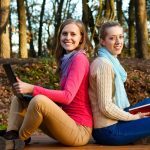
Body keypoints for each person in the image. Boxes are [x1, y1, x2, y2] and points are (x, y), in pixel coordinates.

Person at [0, 19, 93, 149]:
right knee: (20, 99)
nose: (68, 37)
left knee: (39, 101)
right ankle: (11, 135)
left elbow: (67, 97)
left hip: (79, 131)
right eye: (64, 34)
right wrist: (27, 93)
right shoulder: (66, 60)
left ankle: (19, 139)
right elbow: (64, 101)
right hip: (65, 124)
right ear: (60, 36)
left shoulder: (79, 59)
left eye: (73, 34)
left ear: (81, 38)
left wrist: (32, 88)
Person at [89, 21, 150, 146]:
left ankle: (141, 135)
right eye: (112, 38)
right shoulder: (103, 65)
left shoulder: (111, 61)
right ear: (102, 41)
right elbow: (106, 107)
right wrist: (134, 117)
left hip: (112, 123)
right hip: (108, 130)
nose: (118, 42)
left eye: (120, 37)